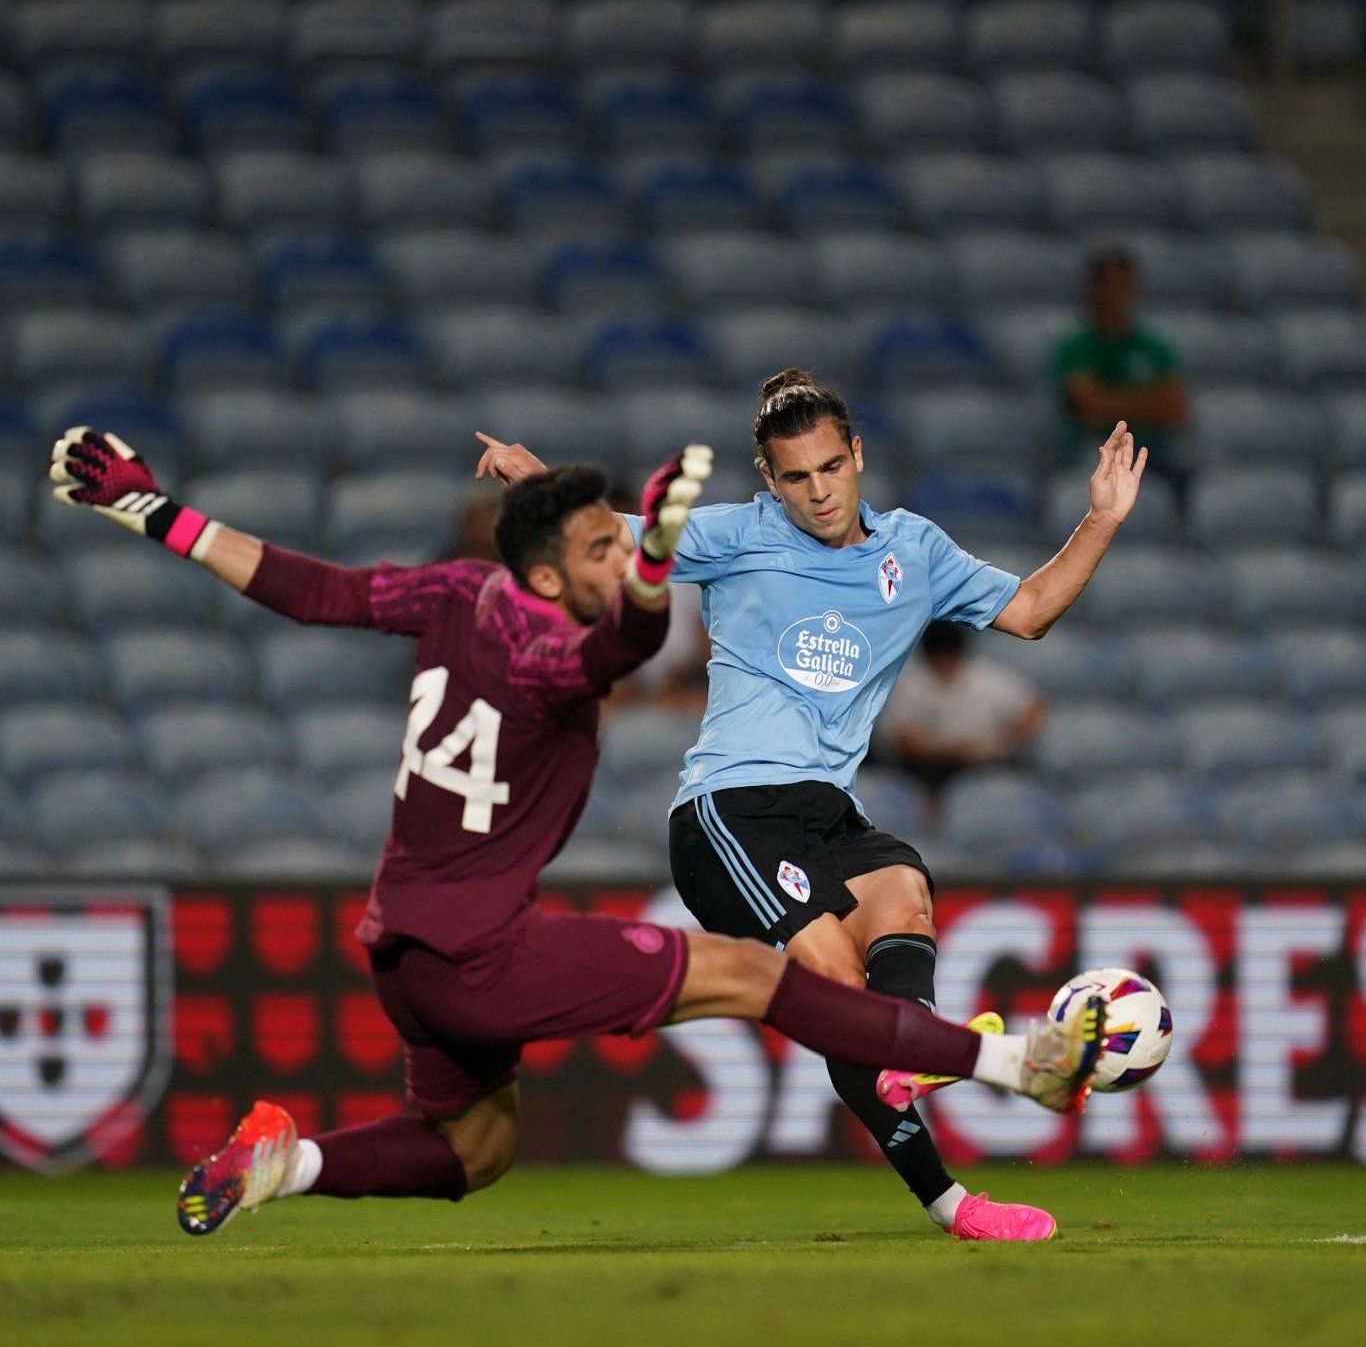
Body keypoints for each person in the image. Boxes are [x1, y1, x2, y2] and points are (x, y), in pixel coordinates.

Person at [46, 425, 1104, 1238]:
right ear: (552, 578)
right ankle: (1021, 1067)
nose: (627, 558)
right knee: (755, 977)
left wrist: (154, 508)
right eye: (603, 549)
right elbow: (631, 638)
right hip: (479, 951)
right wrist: (647, 575)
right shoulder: (551, 660)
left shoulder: (453, 593)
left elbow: (313, 590)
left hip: (401, 952)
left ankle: (290, 1160)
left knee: (477, 1146)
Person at [475, 369, 1145, 1242]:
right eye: (796, 477)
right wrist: (541, 488)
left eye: (832, 467)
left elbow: (1032, 610)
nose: (819, 491)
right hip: (729, 814)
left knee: (903, 884)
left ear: (858, 455)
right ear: (769, 480)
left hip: (827, 810)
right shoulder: (734, 536)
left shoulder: (916, 553)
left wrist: (1100, 520)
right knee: (838, 985)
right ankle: (950, 1188)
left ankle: (920, 1060)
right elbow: (608, 545)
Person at [1053, 249, 1190, 489]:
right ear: (1093, 290)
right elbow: (1089, 409)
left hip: (1152, 453)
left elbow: (1177, 409)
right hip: (1096, 451)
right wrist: (1149, 403)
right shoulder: (1076, 347)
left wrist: (1112, 401)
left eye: (1126, 287)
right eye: (1111, 286)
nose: (1118, 296)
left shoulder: (1153, 346)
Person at [878, 620, 1046, 798]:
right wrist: (954, 753)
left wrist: (1007, 743)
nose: (946, 665)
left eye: (950, 658)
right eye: (939, 660)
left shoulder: (986, 676)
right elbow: (904, 739)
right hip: (925, 770)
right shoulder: (908, 681)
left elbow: (1033, 707)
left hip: (988, 765)